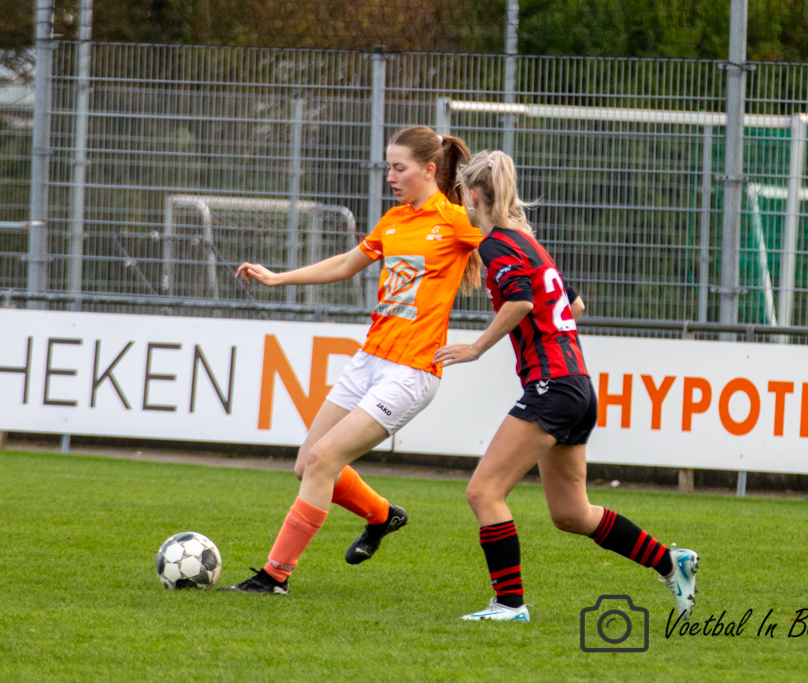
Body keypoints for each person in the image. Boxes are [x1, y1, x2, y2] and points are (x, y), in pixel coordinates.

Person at [433, 150, 699, 622]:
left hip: (552, 385)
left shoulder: (496, 245)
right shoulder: (529, 243)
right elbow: (574, 306)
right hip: (576, 385)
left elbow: (519, 302)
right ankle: (669, 562)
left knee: (483, 491)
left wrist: (475, 348)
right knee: (572, 513)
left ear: (472, 195)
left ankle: (509, 604)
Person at [221, 126, 483, 595]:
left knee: (324, 460)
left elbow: (514, 256)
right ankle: (382, 516)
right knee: (307, 464)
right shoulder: (395, 220)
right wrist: (278, 278)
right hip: (370, 359)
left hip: (412, 370)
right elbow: (346, 264)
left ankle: (274, 576)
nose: (390, 177)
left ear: (429, 170)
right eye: (388, 167)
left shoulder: (456, 221)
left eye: (399, 168)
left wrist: (557, 296)